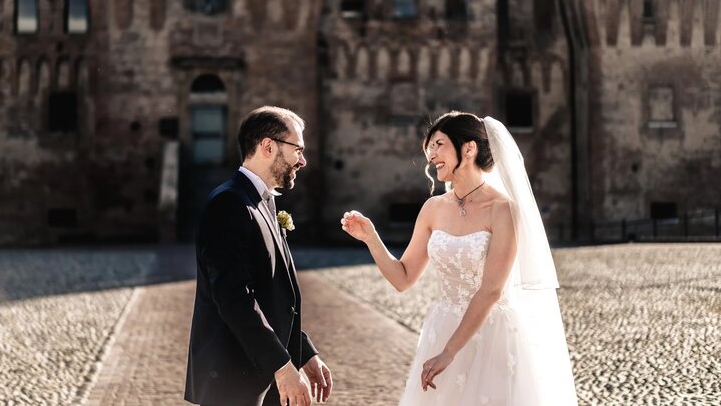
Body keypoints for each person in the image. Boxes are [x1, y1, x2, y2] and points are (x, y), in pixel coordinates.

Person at [341, 111, 577, 405]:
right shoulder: (432, 208)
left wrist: (450, 351)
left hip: (492, 334)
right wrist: (371, 238)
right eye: (430, 148)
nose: (431, 155)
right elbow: (403, 278)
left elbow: (491, 289)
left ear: (469, 148)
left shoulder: (503, 209)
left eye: (439, 144)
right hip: (441, 328)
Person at [185, 106, 332, 406]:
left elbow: (271, 293)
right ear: (268, 146)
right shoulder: (228, 203)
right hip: (233, 382)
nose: (303, 160)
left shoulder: (263, 203)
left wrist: (303, 353)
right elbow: (234, 298)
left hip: (263, 376)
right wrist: (282, 367)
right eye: (298, 150)